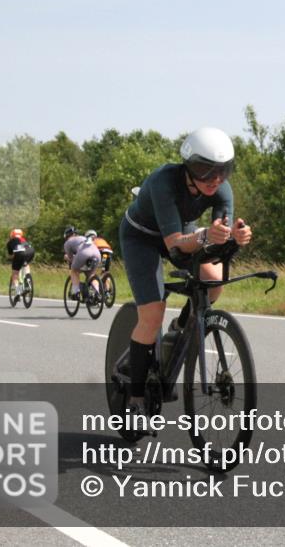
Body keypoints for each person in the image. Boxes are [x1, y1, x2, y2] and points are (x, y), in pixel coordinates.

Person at [119, 127, 252, 413]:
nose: (215, 179)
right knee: (152, 315)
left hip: (182, 231)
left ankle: (180, 327)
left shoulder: (222, 189)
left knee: (214, 282)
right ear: (189, 166)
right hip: (142, 237)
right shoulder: (163, 182)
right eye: (205, 170)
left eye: (223, 171)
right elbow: (175, 246)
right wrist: (205, 236)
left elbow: (217, 240)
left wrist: (235, 238)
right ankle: (136, 399)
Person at [63, 226, 102, 297]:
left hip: (84, 253)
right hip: (97, 253)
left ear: (66, 236)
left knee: (74, 271)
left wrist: (67, 258)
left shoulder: (67, 242)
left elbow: (70, 257)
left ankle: (76, 292)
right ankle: (97, 292)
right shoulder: (83, 238)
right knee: (91, 275)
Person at [6, 229, 34, 302]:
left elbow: (11, 255)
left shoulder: (10, 242)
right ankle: (27, 279)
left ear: (12, 235)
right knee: (26, 264)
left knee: (15, 274)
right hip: (31, 251)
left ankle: (18, 291)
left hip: (20, 253)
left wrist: (9, 259)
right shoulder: (24, 240)